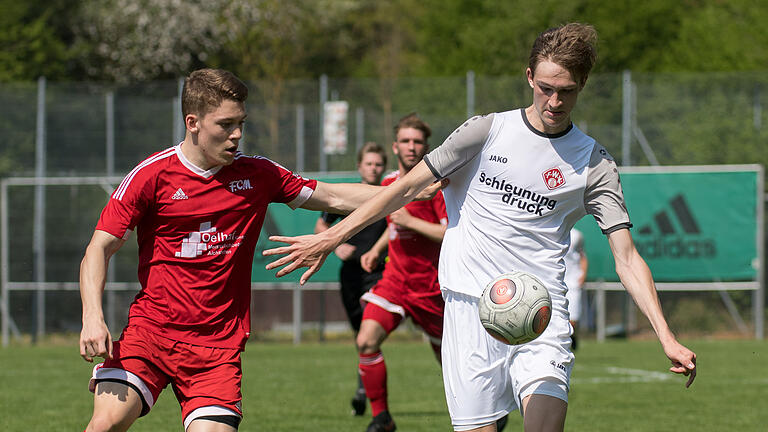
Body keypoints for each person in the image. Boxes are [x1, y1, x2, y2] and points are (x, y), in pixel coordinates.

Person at [263, 23, 697, 432]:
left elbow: (627, 257)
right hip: (469, 308)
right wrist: (331, 235)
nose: (554, 102)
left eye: (566, 92)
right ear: (529, 76)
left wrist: (666, 335)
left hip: (540, 310)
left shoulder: (594, 163)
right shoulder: (486, 132)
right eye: (546, 88)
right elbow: (404, 189)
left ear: (582, 86)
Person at [78, 68, 442, 432]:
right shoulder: (151, 176)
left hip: (217, 351)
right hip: (151, 336)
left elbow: (332, 195)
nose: (237, 135)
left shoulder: (258, 175)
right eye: (225, 124)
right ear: (193, 122)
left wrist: (407, 189)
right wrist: (92, 315)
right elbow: (99, 247)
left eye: (241, 123)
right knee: (105, 425)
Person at [353, 113, 448, 432]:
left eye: (417, 141)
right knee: (366, 340)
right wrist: (378, 248)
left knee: (451, 365)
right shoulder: (387, 184)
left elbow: (448, 233)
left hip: (430, 287)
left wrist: (410, 223)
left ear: (426, 146)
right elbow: (394, 223)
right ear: (395, 146)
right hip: (395, 283)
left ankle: (487, 409)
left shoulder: (437, 185)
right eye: (405, 141)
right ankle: (382, 418)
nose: (411, 146)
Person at [314, 142, 389, 416]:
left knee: (369, 334)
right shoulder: (348, 196)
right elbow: (321, 224)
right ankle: (364, 387)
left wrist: (378, 250)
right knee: (361, 334)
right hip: (350, 275)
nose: (373, 168)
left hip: (379, 273)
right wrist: (335, 245)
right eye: (368, 163)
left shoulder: (390, 195)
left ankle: (363, 391)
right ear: (359, 166)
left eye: (378, 163)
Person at [563, 227, 588, 350]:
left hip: (573, 282)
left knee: (573, 319)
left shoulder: (577, 235)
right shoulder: (551, 230)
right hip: (557, 280)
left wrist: (582, 274)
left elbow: (582, 256)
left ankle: (573, 336)